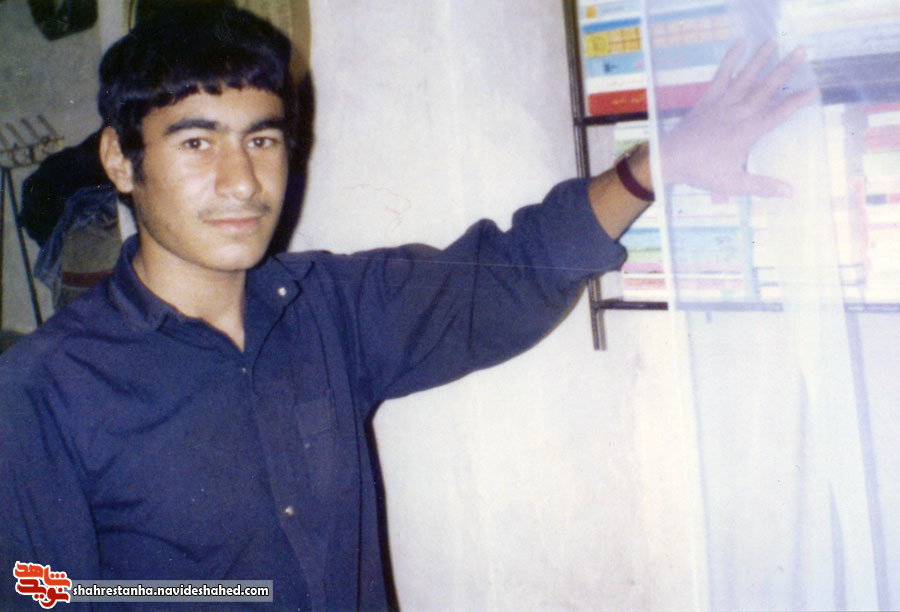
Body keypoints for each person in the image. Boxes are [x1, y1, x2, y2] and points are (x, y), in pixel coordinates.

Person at [0, 6, 815, 611]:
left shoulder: (325, 307)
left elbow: (504, 276)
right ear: (120, 159)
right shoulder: (44, 391)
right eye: (196, 141)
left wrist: (656, 165)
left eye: (262, 139)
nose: (242, 181)